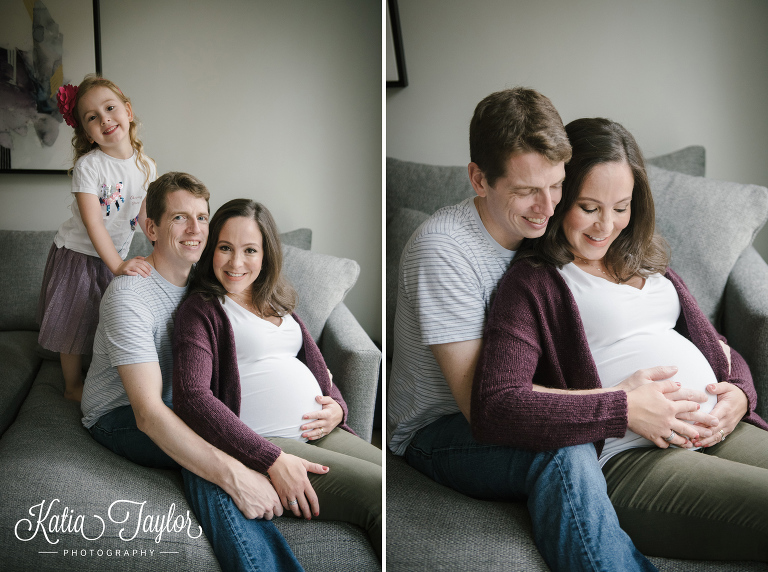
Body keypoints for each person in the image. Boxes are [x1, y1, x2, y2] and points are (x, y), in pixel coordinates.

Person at [388, 88, 668, 571]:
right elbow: (483, 408)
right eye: (525, 191)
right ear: (479, 179)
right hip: (438, 430)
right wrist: (619, 406)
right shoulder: (444, 250)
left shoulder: (548, 229)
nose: (546, 206)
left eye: (556, 185)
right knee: (563, 451)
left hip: (523, 400)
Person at [472, 117, 768, 561]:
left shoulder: (645, 260)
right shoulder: (534, 282)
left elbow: (718, 347)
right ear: (559, 198)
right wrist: (622, 409)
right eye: (589, 207)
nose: (605, 226)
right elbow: (498, 402)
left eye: (621, 207)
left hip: (719, 430)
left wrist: (741, 396)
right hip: (634, 458)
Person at [81, 172, 307, 572]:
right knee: (209, 452)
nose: (195, 230)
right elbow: (149, 414)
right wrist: (235, 472)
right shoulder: (130, 296)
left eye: (202, 218)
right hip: (120, 415)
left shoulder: (204, 281)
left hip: (179, 401)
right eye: (180, 218)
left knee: (216, 429)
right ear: (151, 227)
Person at [171, 198, 382, 560]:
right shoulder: (202, 308)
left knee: (390, 480)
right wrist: (270, 458)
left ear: (266, 254)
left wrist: (337, 409)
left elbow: (315, 366)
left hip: (321, 432)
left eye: (249, 250)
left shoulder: (276, 300)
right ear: (211, 250)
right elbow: (192, 396)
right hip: (268, 444)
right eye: (225, 248)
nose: (236, 262)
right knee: (378, 493)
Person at [37, 74, 155, 401]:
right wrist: (117, 265)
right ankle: (72, 385)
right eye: (92, 117)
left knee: (108, 319)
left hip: (114, 255)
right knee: (73, 321)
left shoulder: (147, 166)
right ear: (87, 133)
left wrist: (161, 251)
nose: (104, 118)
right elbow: (94, 224)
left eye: (110, 108)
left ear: (128, 112)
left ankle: (106, 374)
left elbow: (145, 217)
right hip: (78, 254)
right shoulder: (90, 167)